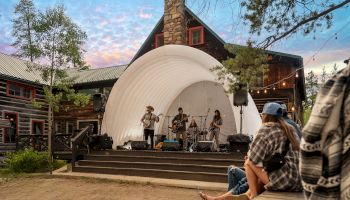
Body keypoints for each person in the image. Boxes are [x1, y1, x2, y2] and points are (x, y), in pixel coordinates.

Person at [300, 63, 350, 200]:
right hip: (288, 181)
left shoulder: (339, 87)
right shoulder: (290, 128)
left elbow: (309, 148)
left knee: (248, 165)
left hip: (279, 181)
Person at [242, 102, 302, 199]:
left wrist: (251, 157)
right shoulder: (291, 129)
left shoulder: (266, 129)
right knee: (264, 167)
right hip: (299, 182)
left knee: (249, 162)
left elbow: (253, 158)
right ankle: (248, 194)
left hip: (283, 182)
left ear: (264, 116)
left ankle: (253, 195)